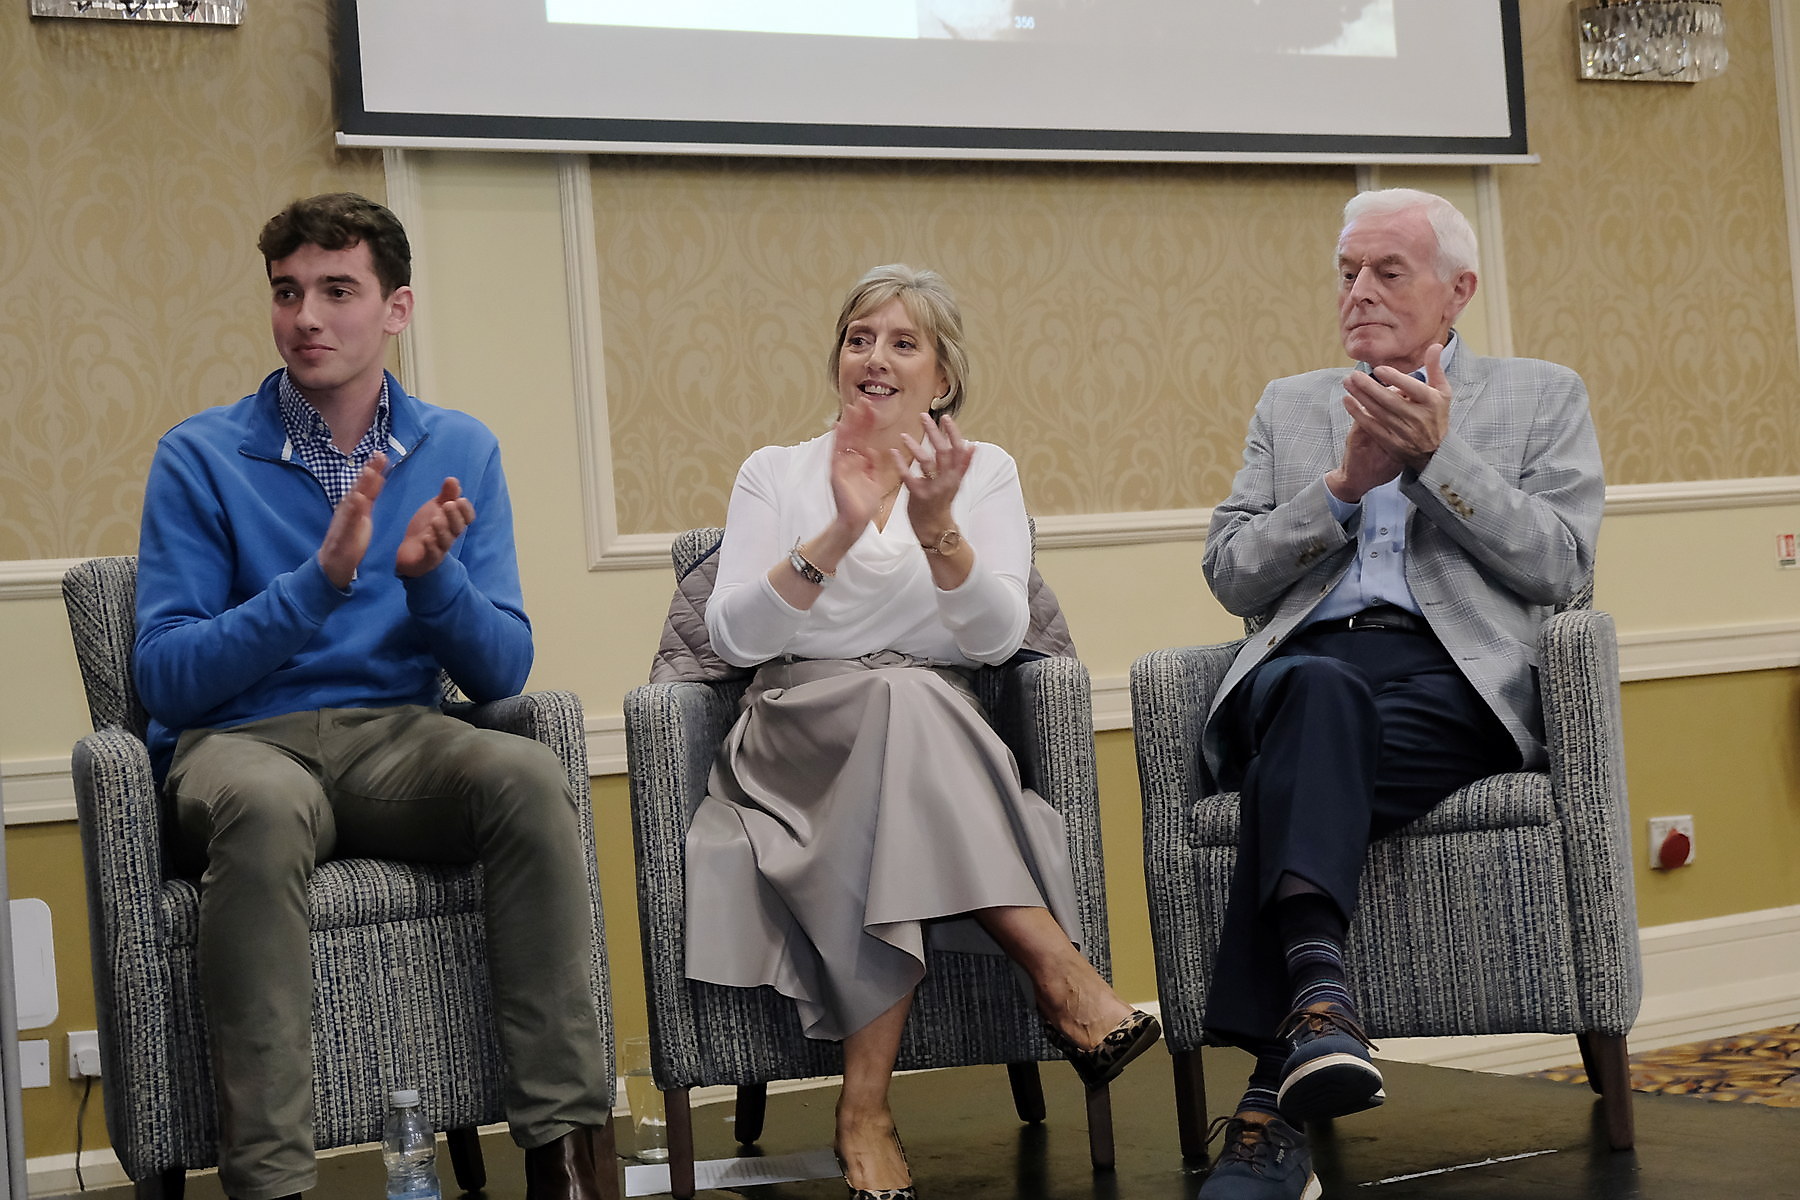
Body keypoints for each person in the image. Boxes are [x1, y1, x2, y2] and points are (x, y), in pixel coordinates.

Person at [133, 193, 613, 1200]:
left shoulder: (458, 448)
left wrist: (431, 582)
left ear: (396, 309)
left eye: (336, 290)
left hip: (398, 738)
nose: (306, 315)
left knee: (526, 776)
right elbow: (166, 677)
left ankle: (566, 1161)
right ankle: (271, 1182)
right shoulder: (200, 456)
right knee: (262, 811)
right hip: (242, 744)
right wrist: (318, 584)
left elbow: (501, 673)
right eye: (286, 292)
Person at [683, 264, 1161, 1200]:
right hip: (794, 726)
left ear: (941, 377)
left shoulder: (983, 473)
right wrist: (836, 533)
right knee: (904, 704)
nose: (876, 357)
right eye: (860, 338)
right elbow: (734, 636)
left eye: (904, 342)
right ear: (838, 361)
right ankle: (1058, 971)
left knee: (908, 706)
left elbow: (997, 638)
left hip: (929, 724)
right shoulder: (775, 472)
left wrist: (940, 529)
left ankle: (864, 1110)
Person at [1195, 189, 1604, 1200]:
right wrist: (1338, 489)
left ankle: (1276, 1086)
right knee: (1318, 694)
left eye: (1387, 271)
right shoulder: (1291, 405)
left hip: (1449, 688)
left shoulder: (1541, 396)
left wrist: (1435, 461)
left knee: (1305, 763)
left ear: (1457, 291)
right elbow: (1231, 574)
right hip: (1296, 676)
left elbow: (1562, 568)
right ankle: (1314, 1018)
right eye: (1347, 272)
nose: (1359, 292)